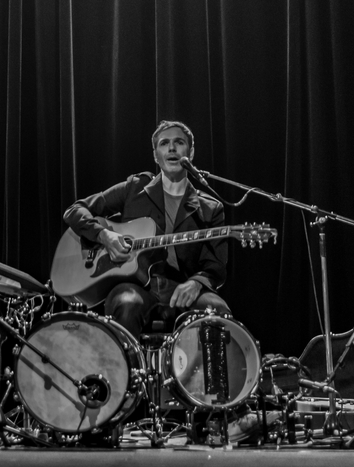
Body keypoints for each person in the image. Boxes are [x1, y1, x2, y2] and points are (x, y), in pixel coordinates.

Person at [62, 120, 231, 338]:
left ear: (191, 152)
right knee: (127, 303)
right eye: (164, 143)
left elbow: (216, 265)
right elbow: (75, 210)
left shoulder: (210, 208)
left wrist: (197, 283)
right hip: (137, 287)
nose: (172, 148)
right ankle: (124, 361)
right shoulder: (135, 188)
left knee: (217, 310)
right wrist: (104, 235)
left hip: (182, 288)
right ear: (155, 155)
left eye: (179, 142)